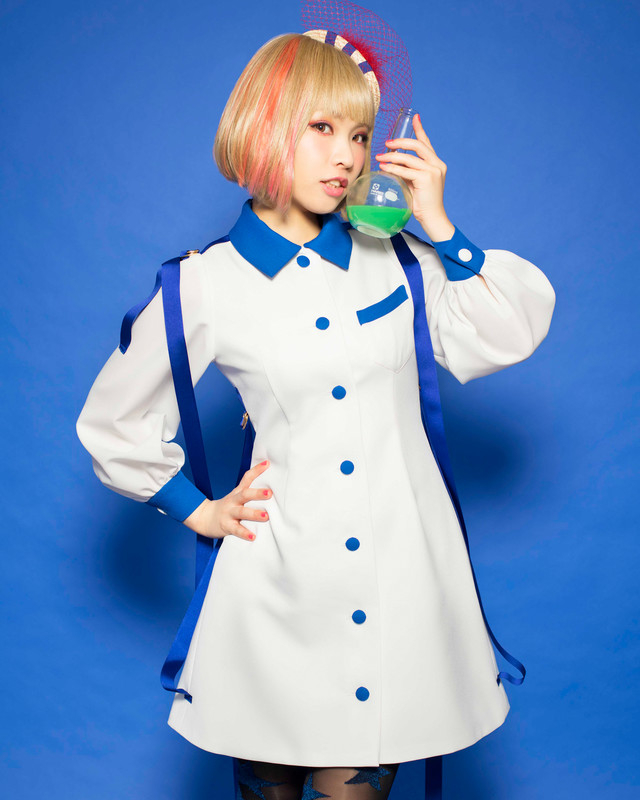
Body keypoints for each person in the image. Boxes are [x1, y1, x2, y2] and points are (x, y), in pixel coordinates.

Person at [76, 31, 555, 800]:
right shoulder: (204, 283)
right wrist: (197, 509)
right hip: (277, 584)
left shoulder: (399, 258)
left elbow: (505, 332)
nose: (345, 155)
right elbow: (113, 422)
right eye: (322, 127)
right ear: (265, 128)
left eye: (359, 135)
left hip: (397, 584)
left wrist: (440, 224)